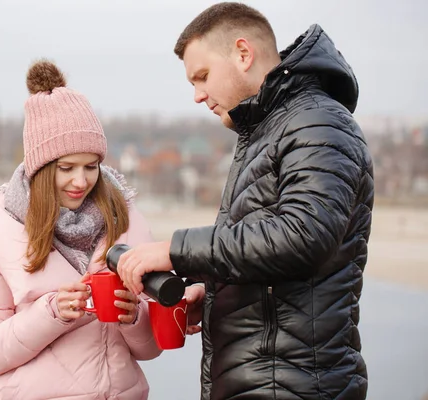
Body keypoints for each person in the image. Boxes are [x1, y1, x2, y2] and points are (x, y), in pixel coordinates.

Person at [115, 3, 373, 400]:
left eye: (202, 77)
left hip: (293, 384)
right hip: (268, 379)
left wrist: (174, 251)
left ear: (243, 53)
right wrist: (218, 291)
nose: (198, 96)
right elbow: (267, 251)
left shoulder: (318, 122)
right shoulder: (268, 130)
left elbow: (304, 235)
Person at [0, 60, 162, 400]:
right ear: (39, 169)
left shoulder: (126, 220)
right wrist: (51, 312)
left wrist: (134, 318)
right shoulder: (1, 229)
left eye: (91, 166)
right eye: (66, 168)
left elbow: (151, 349)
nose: (80, 181)